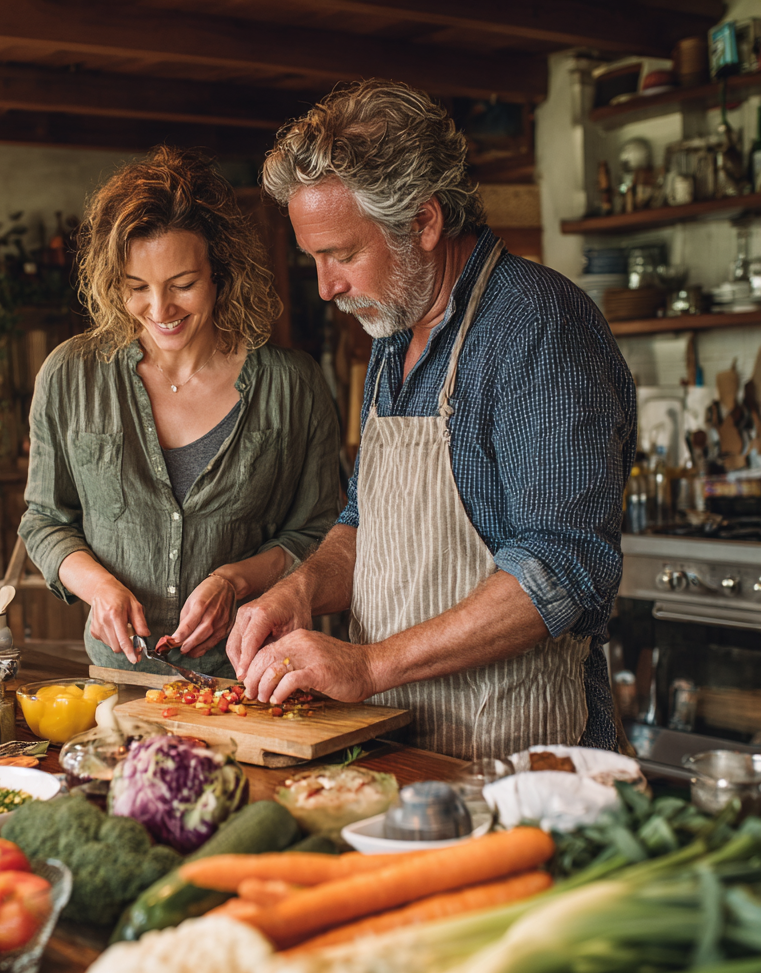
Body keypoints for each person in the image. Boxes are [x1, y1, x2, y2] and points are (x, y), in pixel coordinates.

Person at [227, 81, 637, 757]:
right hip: (399, 745)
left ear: (422, 222)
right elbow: (364, 524)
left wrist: (368, 666)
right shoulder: (394, 336)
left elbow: (563, 566)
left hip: (521, 758)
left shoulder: (536, 327)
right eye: (316, 259)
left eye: (343, 254)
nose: (327, 286)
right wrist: (298, 590)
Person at [20, 147, 340, 679]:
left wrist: (236, 581)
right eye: (136, 288)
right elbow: (46, 520)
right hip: (117, 682)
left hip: (250, 679)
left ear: (221, 272)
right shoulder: (70, 376)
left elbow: (317, 532)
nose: (161, 311)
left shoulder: (292, 385)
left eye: (183, 285)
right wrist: (99, 589)